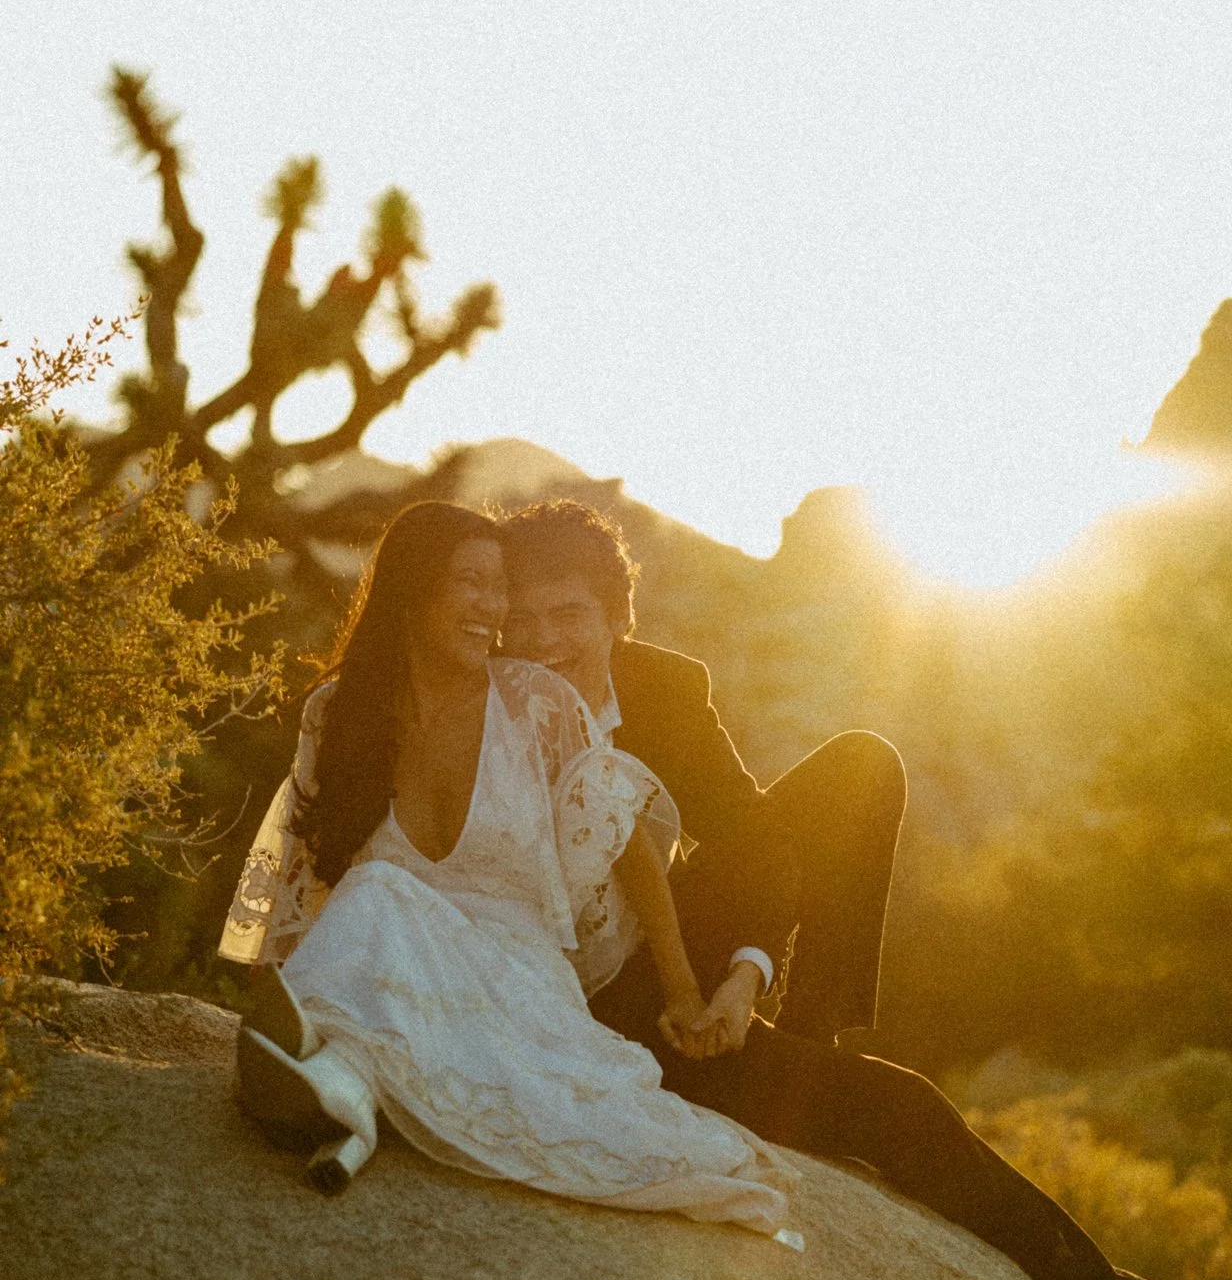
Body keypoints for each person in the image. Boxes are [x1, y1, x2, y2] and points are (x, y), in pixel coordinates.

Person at [497, 499, 1232, 1280]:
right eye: (519, 618)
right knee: (904, 1110)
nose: (541, 639)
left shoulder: (664, 690)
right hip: (582, 991)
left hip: (674, 953)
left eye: (566, 614)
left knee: (857, 768)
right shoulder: (486, 706)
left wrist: (742, 975)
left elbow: (756, 845)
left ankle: (810, 1034)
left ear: (618, 616)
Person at [220, 501, 798, 1242]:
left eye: (498, 588)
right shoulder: (338, 715)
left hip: (518, 975)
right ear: (413, 589)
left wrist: (686, 991)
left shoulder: (536, 703)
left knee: (376, 891)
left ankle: (346, 1086)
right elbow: (298, 880)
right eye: (473, 583)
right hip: (405, 977)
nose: (493, 608)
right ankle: (349, 1097)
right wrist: (280, 995)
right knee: (373, 896)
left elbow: (627, 843)